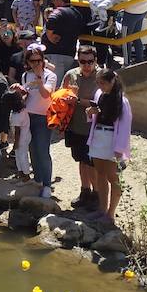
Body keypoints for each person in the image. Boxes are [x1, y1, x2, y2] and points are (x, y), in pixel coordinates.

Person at [84, 67, 132, 224]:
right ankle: (102, 209)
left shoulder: (122, 101)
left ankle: (111, 214)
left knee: (113, 177)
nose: (100, 86)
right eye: (98, 83)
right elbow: (96, 117)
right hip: (98, 136)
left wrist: (120, 149)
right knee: (100, 174)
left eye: (103, 83)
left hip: (112, 139)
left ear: (113, 81)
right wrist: (90, 113)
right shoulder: (99, 95)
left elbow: (125, 127)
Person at [61, 45, 102, 210]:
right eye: (83, 61)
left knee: (93, 164)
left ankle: (97, 194)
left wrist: (78, 100)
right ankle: (85, 191)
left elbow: (103, 103)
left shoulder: (103, 77)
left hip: (95, 128)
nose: (86, 65)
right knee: (81, 161)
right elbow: (61, 95)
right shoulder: (71, 75)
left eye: (90, 61)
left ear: (95, 61)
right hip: (76, 126)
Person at [21, 44, 57, 199]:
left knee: (43, 151)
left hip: (43, 117)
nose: (35, 64)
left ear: (43, 60)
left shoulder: (50, 76)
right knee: (32, 150)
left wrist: (39, 79)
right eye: (32, 61)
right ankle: (37, 180)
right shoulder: (25, 76)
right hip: (27, 116)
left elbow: (45, 95)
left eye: (38, 60)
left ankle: (47, 184)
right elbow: (25, 96)